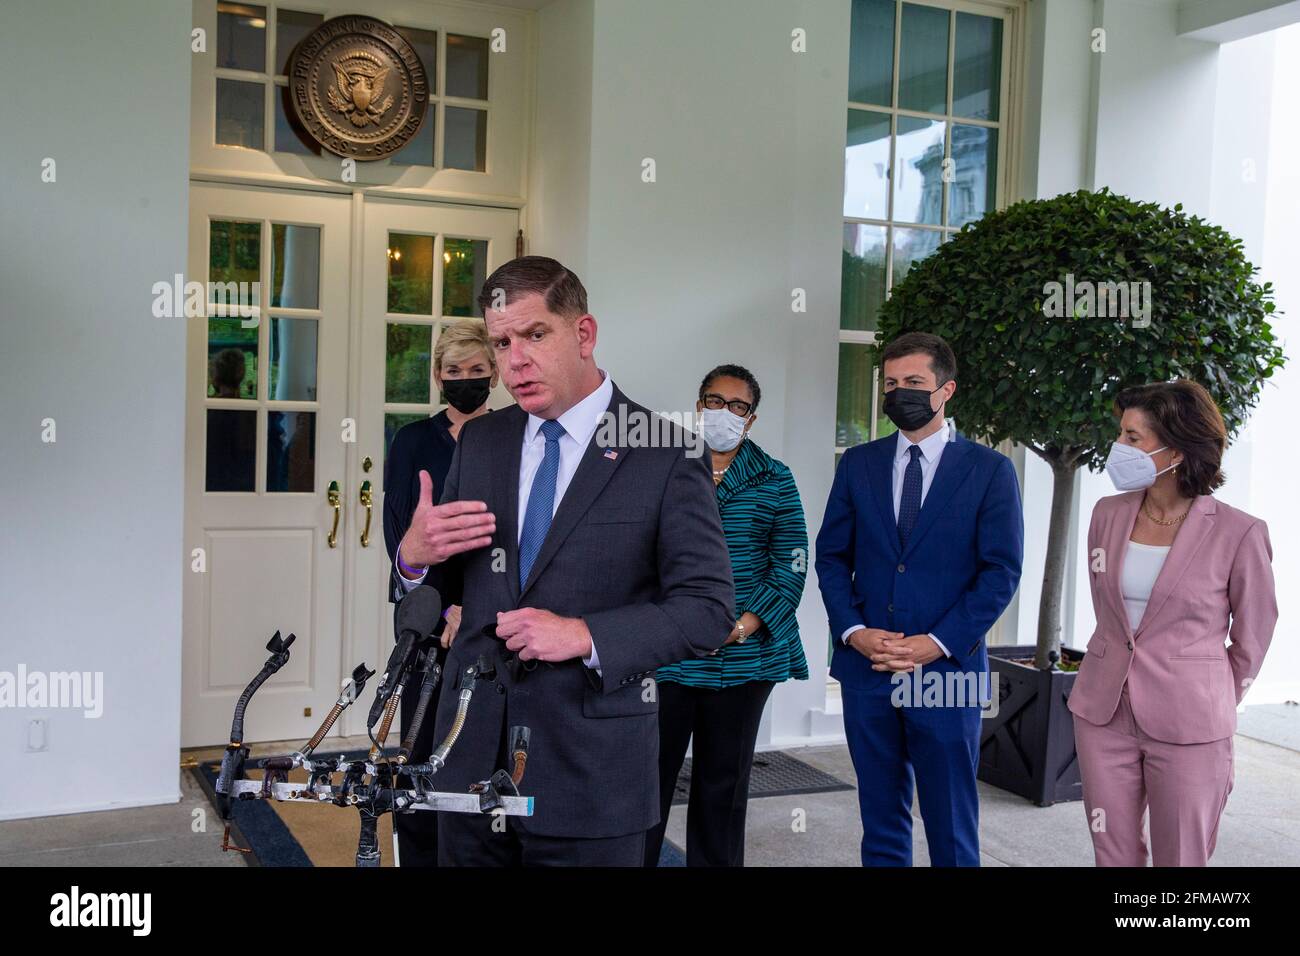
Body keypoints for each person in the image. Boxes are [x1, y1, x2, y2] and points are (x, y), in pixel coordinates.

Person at [394, 256, 734, 866]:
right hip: (467, 763)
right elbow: (438, 581)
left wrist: (583, 635)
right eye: (501, 342)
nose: (514, 360)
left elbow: (707, 611)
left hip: (591, 775)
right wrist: (413, 559)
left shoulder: (665, 452)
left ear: (584, 333)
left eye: (534, 334)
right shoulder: (483, 441)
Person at [815, 331, 1023, 866]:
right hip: (869, 669)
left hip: (947, 674)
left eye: (914, 382)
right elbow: (832, 557)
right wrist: (854, 632)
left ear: (946, 389)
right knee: (880, 817)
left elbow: (1000, 572)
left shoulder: (989, 470)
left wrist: (937, 642)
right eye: (891, 383)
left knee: (950, 820)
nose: (899, 392)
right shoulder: (858, 464)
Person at [1069, 380, 1277, 867]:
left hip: (1190, 720)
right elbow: (1113, 618)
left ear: (1177, 449)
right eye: (1120, 434)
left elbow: (1254, 634)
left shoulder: (1240, 532)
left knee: (1181, 858)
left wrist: (1211, 694)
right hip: (1103, 712)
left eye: (1133, 438)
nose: (1118, 448)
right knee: (1112, 852)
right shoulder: (1107, 514)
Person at [643, 364, 809, 867]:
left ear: (751, 419)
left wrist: (741, 626)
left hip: (743, 662)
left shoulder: (775, 478)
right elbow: (635, 555)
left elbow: (792, 561)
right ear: (699, 407)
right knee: (647, 784)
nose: (724, 413)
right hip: (668, 658)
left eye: (737, 407)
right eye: (715, 402)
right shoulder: (661, 468)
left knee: (722, 788)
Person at [382, 319, 498, 867]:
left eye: (477, 370)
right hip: (427, 621)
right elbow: (399, 534)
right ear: (437, 376)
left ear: (494, 375)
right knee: (421, 748)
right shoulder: (411, 442)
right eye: (455, 371)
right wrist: (442, 605)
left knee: (483, 753)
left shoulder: (515, 436)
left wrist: (474, 607)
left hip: (494, 618)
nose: (466, 380)